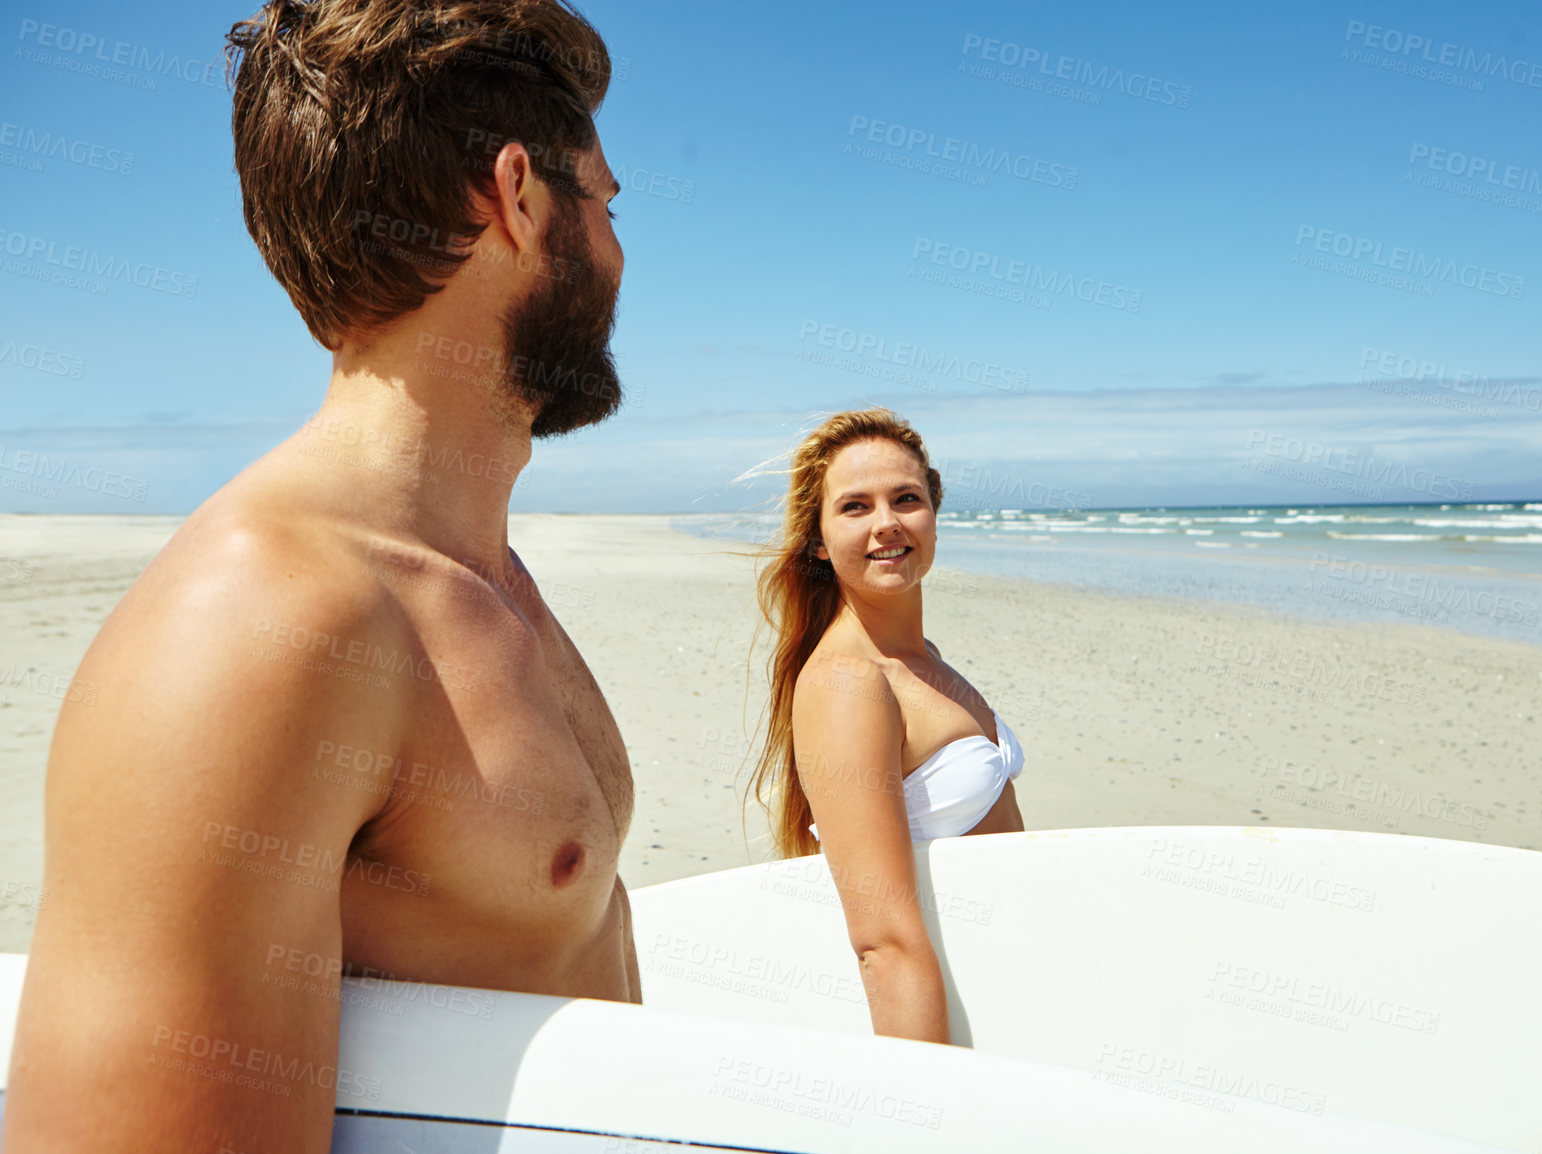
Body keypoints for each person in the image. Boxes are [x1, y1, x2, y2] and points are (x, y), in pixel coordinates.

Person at [3, 3, 638, 1150]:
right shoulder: (263, 620)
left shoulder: (482, 573)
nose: (618, 251)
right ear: (515, 195)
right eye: (604, 200)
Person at [749, 408, 1026, 1045]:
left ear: (934, 510)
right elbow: (884, 943)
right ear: (817, 539)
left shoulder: (920, 659)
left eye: (907, 498)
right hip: (958, 1020)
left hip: (1010, 994)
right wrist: (927, 1104)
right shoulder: (849, 682)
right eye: (854, 507)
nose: (887, 523)